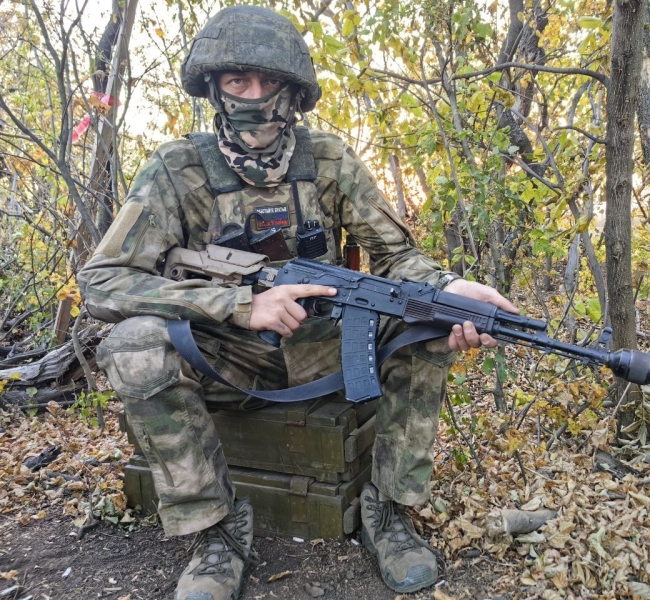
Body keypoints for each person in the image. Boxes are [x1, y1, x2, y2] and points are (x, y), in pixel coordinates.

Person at [77, 5, 517, 600]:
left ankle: (389, 511)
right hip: (228, 356)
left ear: (293, 91)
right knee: (133, 345)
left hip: (325, 349)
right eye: (238, 81)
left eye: (268, 81)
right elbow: (103, 281)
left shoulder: (329, 160)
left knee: (429, 327)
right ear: (214, 86)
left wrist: (446, 287)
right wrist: (237, 304)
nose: (254, 96)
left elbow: (396, 257)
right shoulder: (176, 170)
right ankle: (216, 532)